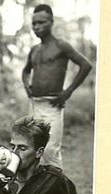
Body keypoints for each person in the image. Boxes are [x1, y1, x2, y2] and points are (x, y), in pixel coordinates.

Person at [22, 4, 92, 168]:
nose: (37, 27)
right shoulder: (34, 50)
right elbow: (25, 71)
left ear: (51, 22)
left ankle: (57, 190)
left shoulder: (61, 46)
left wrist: (68, 91)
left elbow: (85, 65)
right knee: (32, 148)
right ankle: (38, 189)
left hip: (52, 104)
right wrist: (27, 85)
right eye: (34, 23)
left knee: (50, 150)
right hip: (34, 104)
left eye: (42, 22)